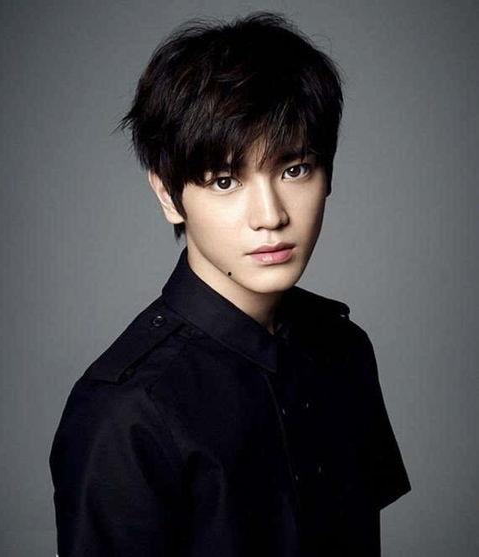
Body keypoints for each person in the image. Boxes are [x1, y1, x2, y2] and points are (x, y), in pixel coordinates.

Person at [49, 11, 411, 557]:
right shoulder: (125, 413)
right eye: (224, 180)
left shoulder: (344, 349)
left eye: (294, 169)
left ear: (328, 174)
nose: (270, 216)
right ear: (168, 195)